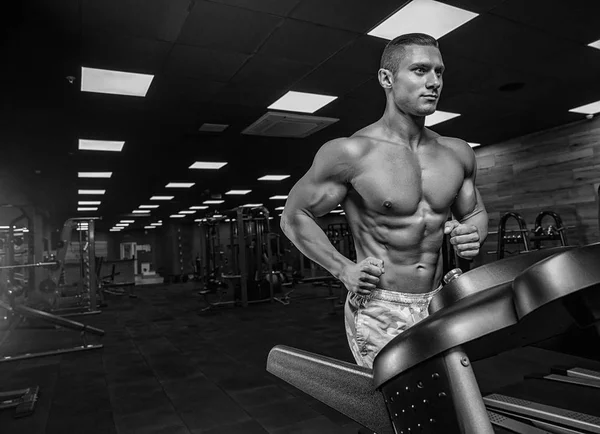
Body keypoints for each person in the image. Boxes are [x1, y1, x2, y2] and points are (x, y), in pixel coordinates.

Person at [280, 33, 489, 369]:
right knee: (395, 414)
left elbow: (475, 213)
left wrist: (473, 233)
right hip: (381, 306)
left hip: (440, 300)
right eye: (420, 70)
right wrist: (343, 269)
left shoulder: (457, 152)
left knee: (447, 401)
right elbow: (294, 216)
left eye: (439, 72)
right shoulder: (351, 152)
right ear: (387, 78)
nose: (434, 82)